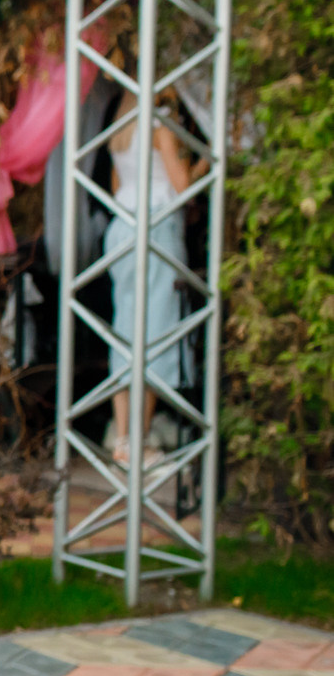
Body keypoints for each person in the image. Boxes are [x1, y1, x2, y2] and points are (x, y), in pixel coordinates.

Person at [105, 100, 205, 469]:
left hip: (121, 229)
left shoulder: (120, 131)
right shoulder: (160, 124)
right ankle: (138, 443)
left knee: (126, 333)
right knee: (156, 335)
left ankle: (122, 439)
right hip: (157, 230)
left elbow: (115, 187)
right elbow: (181, 186)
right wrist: (207, 164)